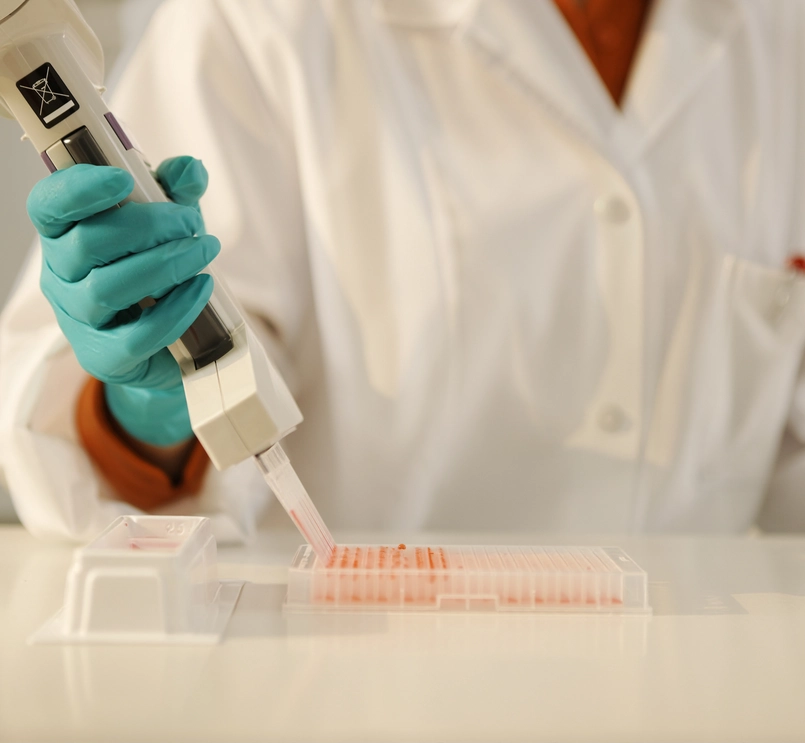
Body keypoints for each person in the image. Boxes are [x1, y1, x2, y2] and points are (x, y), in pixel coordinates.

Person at [1, 0, 804, 542]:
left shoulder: (779, 36)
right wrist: (143, 413)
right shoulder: (259, 21)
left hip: (696, 682)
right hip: (353, 683)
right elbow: (121, 459)